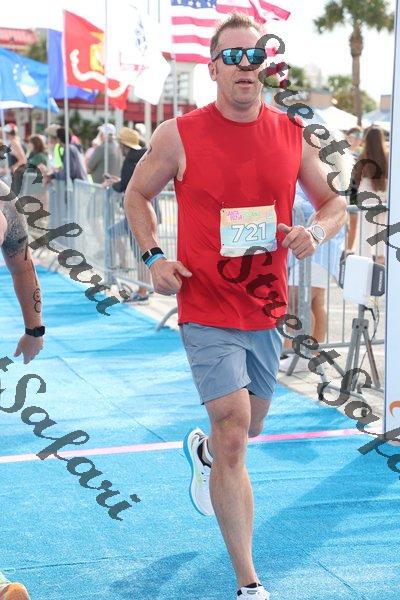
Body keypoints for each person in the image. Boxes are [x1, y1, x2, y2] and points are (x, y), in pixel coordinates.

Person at [124, 13, 347, 599]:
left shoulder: (293, 134)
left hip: (266, 309)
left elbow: (334, 205)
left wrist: (314, 233)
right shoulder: (179, 133)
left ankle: (203, 454)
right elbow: (136, 194)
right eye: (233, 57)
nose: (245, 67)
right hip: (205, 305)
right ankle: (249, 584)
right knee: (233, 430)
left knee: (250, 428)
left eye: (255, 57)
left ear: (265, 67)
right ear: (213, 68)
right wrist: (153, 257)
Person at [103, 127, 151, 303]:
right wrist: (118, 182)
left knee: (141, 252)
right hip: (147, 210)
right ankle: (144, 286)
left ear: (124, 145)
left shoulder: (131, 160)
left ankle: (143, 290)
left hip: (137, 212)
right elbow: (131, 182)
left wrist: (113, 184)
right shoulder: (144, 156)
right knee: (146, 251)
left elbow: (125, 186)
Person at [354, 125, 388, 264]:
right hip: (384, 191)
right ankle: (381, 261)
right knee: (382, 228)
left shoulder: (363, 156)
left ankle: (364, 262)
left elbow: (356, 178)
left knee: (364, 231)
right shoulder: (388, 156)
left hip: (367, 193)